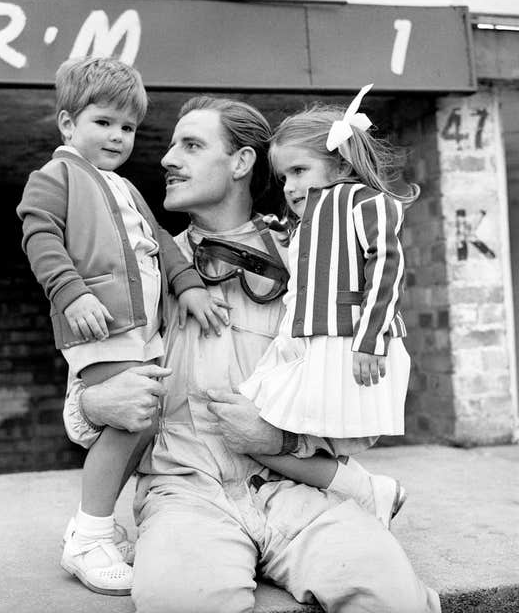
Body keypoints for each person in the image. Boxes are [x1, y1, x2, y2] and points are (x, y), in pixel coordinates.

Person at [67, 96, 441, 612]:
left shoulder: (313, 257)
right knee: (184, 602)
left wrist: (284, 438)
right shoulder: (139, 269)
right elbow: (82, 406)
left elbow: (366, 399)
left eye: (191, 145)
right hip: (185, 494)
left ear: (241, 162)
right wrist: (95, 405)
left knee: (394, 600)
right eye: (173, 146)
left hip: (299, 494)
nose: (166, 159)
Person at [16, 57, 226, 595]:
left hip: (141, 331)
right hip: (98, 328)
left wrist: (192, 287)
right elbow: (39, 237)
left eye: (127, 127)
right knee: (129, 421)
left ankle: (98, 526)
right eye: (103, 122)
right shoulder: (56, 175)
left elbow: (161, 242)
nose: (117, 136)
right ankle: (88, 536)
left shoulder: (126, 189)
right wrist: (70, 292)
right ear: (68, 124)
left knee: (145, 421)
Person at [238, 84, 418, 527]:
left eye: (299, 170)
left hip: (347, 342)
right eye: (284, 178)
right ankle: (363, 492)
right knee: (261, 417)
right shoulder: (305, 220)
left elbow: (387, 268)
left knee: (268, 429)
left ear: (339, 163)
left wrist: (370, 341)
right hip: (302, 340)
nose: (291, 186)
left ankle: (351, 494)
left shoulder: (364, 200)